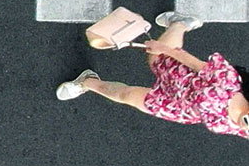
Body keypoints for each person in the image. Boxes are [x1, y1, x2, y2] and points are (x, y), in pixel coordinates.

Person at [56, 12, 248, 135]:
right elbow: (196, 64)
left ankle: (87, 81)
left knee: (127, 95)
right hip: (184, 76)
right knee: (154, 58)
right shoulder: (228, 82)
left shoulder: (242, 129)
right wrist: (163, 48)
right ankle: (179, 24)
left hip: (177, 107)